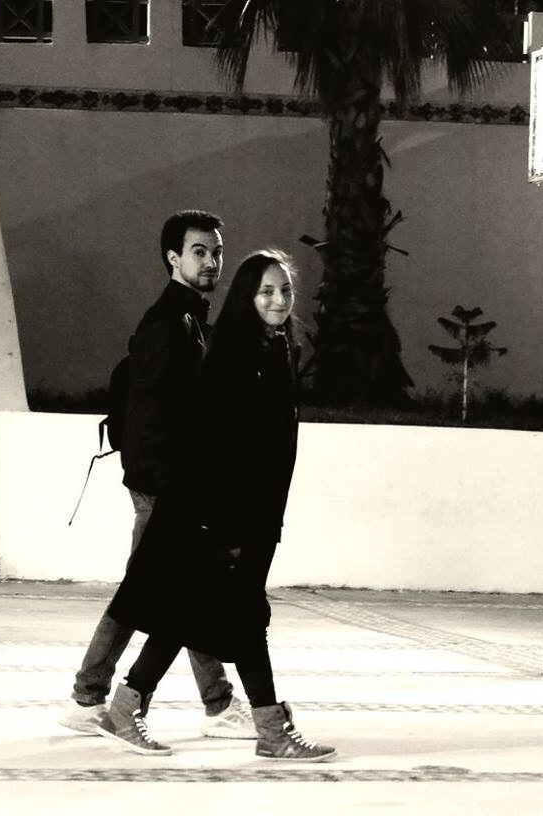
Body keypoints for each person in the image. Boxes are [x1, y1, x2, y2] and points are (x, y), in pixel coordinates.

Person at [98, 249, 336, 762]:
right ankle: (270, 728)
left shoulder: (275, 351)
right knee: (241, 617)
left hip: (248, 516)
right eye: (265, 291)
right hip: (223, 516)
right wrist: (223, 526)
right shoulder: (234, 356)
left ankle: (129, 702)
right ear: (246, 297)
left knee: (196, 615)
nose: (277, 299)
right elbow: (213, 445)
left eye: (284, 291)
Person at [59, 210, 255, 740]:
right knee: (144, 595)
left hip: (174, 488)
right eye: (199, 252)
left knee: (180, 593)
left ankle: (216, 703)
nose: (212, 261)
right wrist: (166, 489)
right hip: (164, 489)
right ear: (173, 258)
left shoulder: (189, 319)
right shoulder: (167, 324)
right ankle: (88, 696)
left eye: (216, 251)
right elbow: (151, 419)